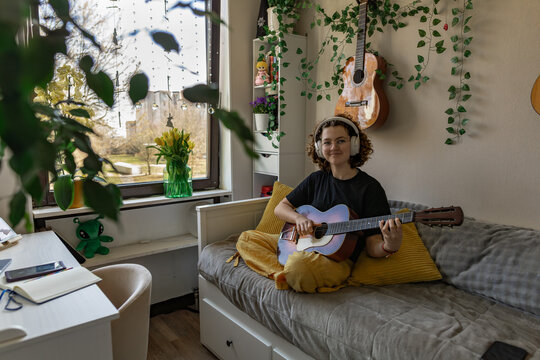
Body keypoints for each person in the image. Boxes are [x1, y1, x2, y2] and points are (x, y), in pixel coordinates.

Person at [236, 114, 402, 293]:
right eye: (327, 142)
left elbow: (372, 244)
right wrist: (298, 218)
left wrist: (389, 246)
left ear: (354, 144)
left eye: (340, 141)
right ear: (319, 147)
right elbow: (280, 208)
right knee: (247, 238)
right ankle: (284, 274)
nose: (333, 148)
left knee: (299, 267)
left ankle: (290, 272)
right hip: (302, 244)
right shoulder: (316, 179)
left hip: (336, 260)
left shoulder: (370, 188)